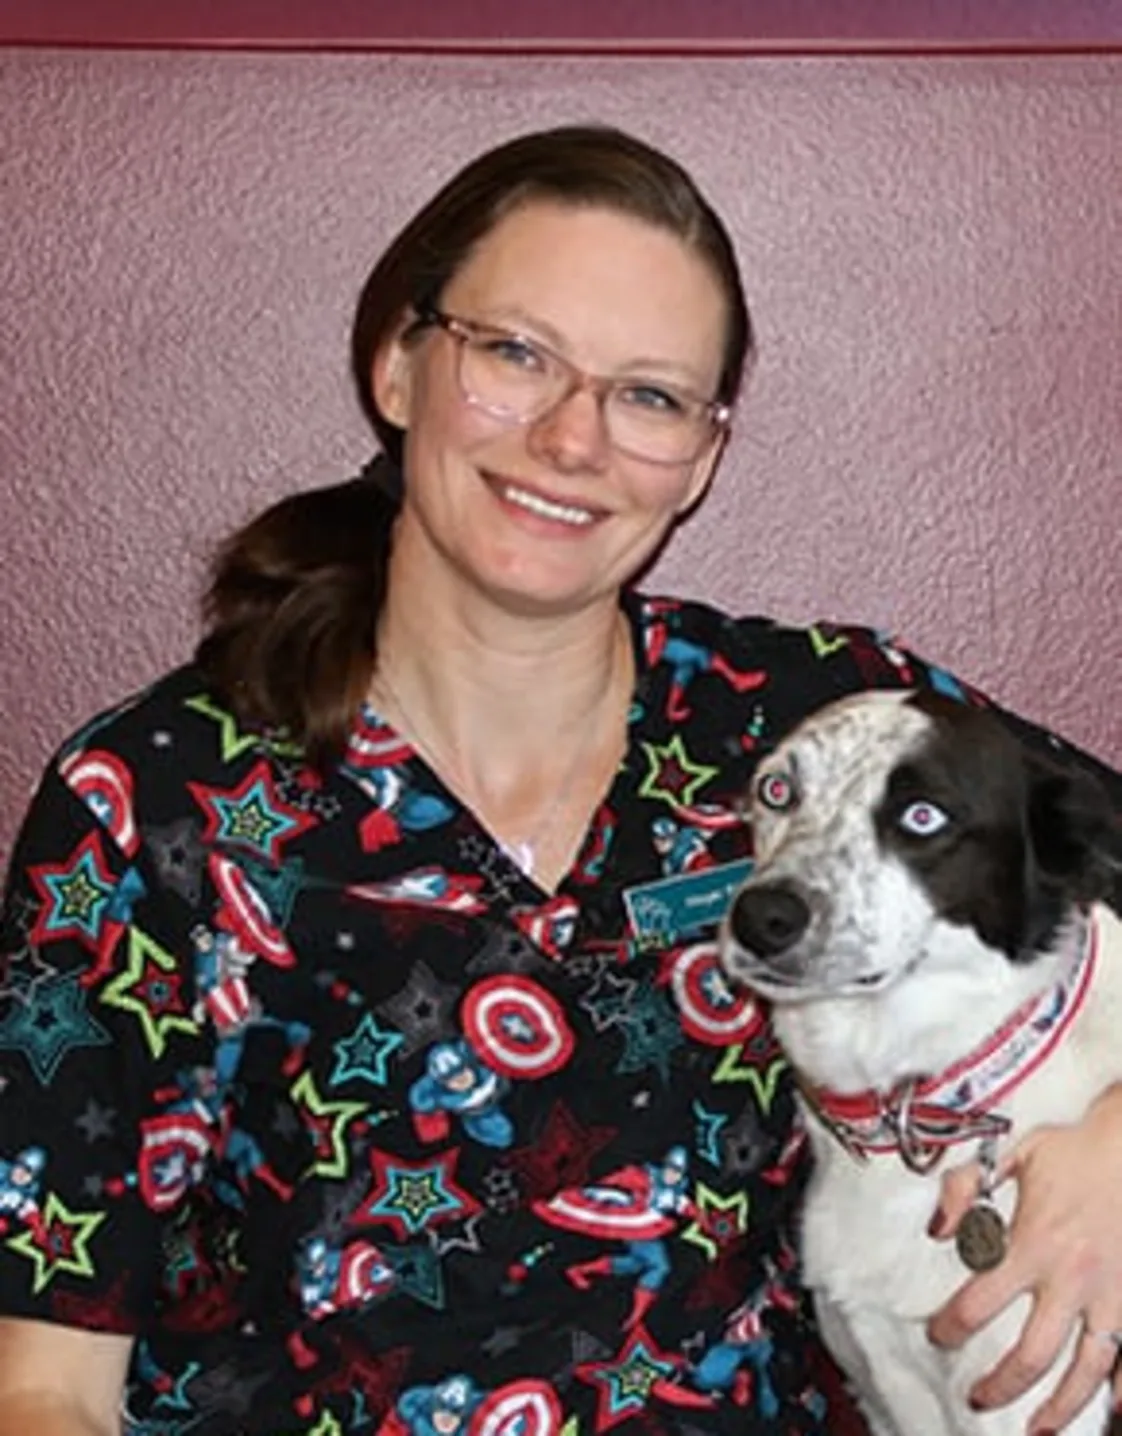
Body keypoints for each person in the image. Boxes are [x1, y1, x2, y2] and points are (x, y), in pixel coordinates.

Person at [0, 124, 1119, 1436]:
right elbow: (44, 1385)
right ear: (400, 366)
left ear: (701, 455)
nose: (571, 436)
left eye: (646, 394)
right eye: (517, 356)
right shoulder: (154, 799)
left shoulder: (816, 722)